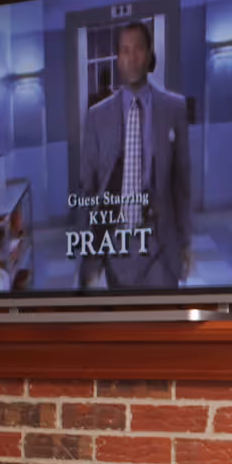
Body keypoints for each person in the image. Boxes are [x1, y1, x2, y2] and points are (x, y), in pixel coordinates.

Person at [77, 20, 192, 288]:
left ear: (150, 53)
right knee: (125, 326)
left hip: (161, 242)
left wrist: (186, 242)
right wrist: (88, 254)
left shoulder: (174, 108)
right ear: (118, 57)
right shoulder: (97, 116)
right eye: (125, 50)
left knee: (162, 326)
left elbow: (182, 184)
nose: (132, 57)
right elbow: (87, 188)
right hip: (116, 243)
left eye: (138, 48)